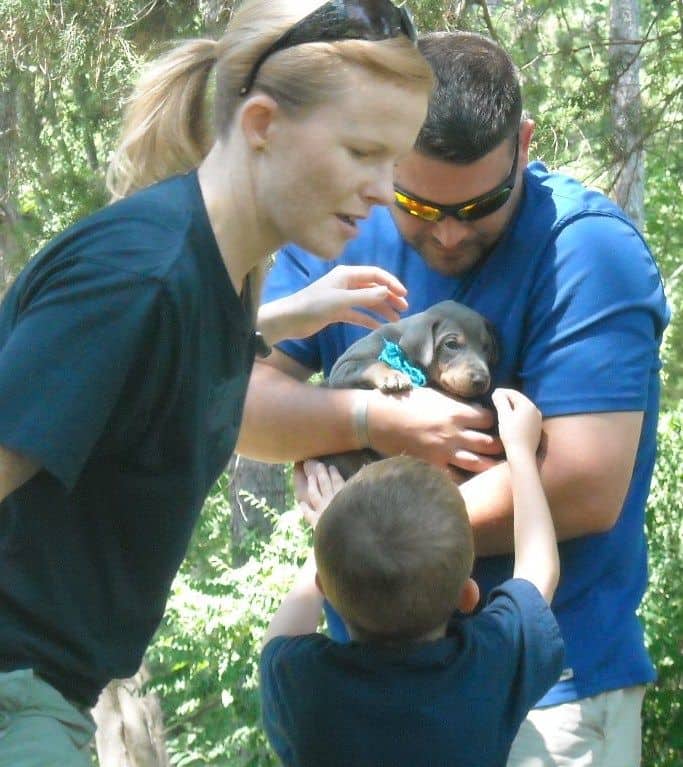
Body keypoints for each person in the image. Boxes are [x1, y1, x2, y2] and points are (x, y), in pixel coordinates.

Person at [0, 1, 433, 764]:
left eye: (393, 160)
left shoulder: (211, 274)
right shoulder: (139, 278)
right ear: (261, 122)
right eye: (363, 151)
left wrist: (279, 318)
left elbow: (145, 376)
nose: (382, 189)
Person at [238, 30, 671, 766]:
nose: (443, 233)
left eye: (479, 205)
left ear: (522, 143)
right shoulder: (342, 221)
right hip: (364, 689)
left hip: (545, 696)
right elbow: (241, 404)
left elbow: (585, 483)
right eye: (414, 201)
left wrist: (364, 533)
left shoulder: (586, 251)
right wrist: (373, 419)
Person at [260, 388, 565, 767]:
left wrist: (329, 537)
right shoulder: (488, 665)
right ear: (468, 595)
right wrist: (520, 451)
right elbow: (539, 571)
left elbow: (278, 640)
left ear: (327, 590)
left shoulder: (306, 686)